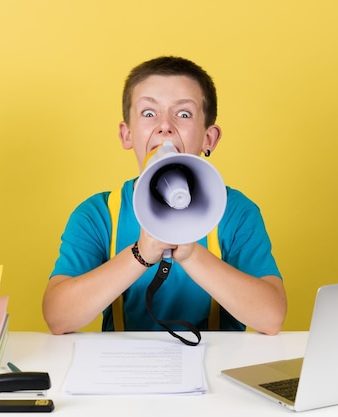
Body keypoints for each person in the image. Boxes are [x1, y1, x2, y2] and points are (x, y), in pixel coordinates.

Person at [43, 56, 287, 335]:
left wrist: (192, 254)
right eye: (149, 113)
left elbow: (271, 318)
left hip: (216, 366)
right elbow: (58, 317)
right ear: (127, 134)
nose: (165, 127)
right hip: (124, 371)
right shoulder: (98, 215)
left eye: (183, 114)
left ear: (209, 138)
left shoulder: (237, 213)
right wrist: (140, 255)